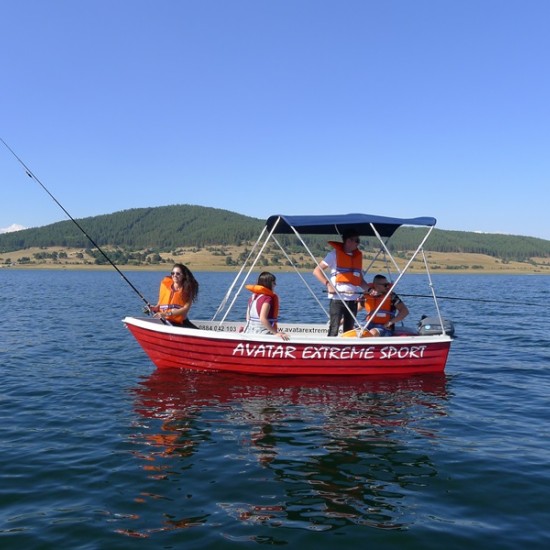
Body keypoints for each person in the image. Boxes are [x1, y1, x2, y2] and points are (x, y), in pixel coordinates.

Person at [313, 228, 370, 336]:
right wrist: (328, 285)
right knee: (334, 328)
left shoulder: (357, 257)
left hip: (353, 301)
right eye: (357, 241)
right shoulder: (333, 255)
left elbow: (360, 281)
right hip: (337, 300)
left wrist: (370, 290)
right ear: (348, 241)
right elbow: (316, 271)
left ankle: (346, 351)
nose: (358, 243)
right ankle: (330, 349)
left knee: (349, 330)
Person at [150, 263, 199, 328]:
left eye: (178, 274)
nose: (175, 275)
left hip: (179, 322)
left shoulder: (188, 289)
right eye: (173, 273)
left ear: (183, 276)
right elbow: (160, 303)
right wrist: (155, 308)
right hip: (164, 320)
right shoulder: (165, 286)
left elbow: (185, 309)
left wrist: (166, 314)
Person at [243, 272, 289, 340]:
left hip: (248, 331)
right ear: (268, 284)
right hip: (261, 334)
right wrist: (275, 333)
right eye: (273, 283)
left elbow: (247, 317)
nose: (275, 285)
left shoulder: (253, 297)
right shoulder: (267, 299)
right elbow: (262, 318)